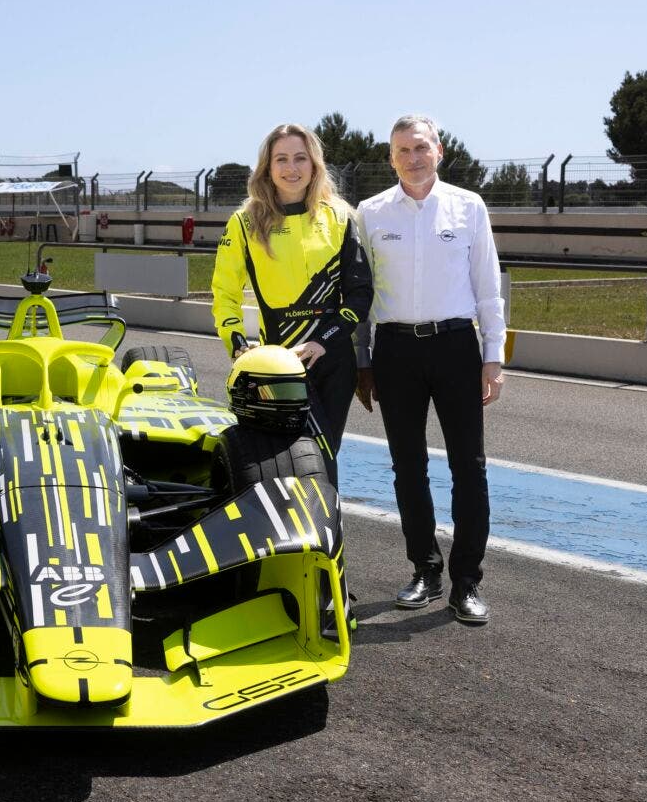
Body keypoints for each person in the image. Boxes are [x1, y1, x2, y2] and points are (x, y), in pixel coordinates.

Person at [354, 114, 506, 625]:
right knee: (408, 467)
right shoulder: (370, 214)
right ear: (391, 158)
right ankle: (425, 569)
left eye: (420, 147)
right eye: (402, 150)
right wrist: (363, 361)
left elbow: (488, 287)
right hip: (395, 351)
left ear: (438, 150)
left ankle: (466, 582)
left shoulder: (469, 207)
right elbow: (361, 294)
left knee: (469, 467)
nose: (412, 157)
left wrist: (494, 357)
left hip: (457, 346)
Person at [211, 124, 373, 488]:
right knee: (287, 460)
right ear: (267, 167)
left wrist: (323, 342)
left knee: (323, 454)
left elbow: (360, 293)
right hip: (278, 363)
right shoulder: (245, 222)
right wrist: (237, 344)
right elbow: (224, 293)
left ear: (315, 165)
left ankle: (325, 538)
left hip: (332, 359)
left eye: (300, 158)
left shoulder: (340, 217)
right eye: (281, 159)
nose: (291, 168)